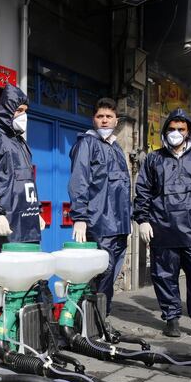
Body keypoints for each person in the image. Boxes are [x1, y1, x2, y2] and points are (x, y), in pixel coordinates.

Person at [134, 109, 191, 341]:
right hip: (162, 227)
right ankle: (171, 318)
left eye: (181, 129)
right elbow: (142, 191)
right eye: (171, 129)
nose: (176, 133)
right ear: (165, 132)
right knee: (164, 275)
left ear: (189, 131)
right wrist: (142, 219)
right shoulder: (154, 159)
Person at [0, 84, 46, 338]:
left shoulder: (21, 145)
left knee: (25, 281)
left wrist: (36, 211)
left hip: (26, 226)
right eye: (18, 110)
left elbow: (26, 182)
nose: (23, 115)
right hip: (2, 228)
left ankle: (20, 328)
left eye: (25, 110)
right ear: (6, 111)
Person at [68, 98, 131, 322]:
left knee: (110, 275)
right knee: (101, 273)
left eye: (109, 116)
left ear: (116, 120)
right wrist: (80, 217)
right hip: (99, 222)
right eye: (100, 116)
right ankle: (87, 322)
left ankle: (101, 319)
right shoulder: (86, 144)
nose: (104, 120)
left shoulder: (116, 148)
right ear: (93, 119)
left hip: (120, 225)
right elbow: (79, 181)